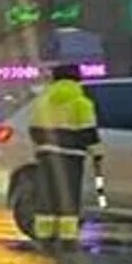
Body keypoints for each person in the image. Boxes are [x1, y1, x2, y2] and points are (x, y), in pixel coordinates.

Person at [27, 63, 102, 246]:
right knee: (69, 194)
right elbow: (88, 132)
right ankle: (67, 237)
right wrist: (97, 152)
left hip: (47, 155)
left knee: (46, 194)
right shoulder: (82, 103)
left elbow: (34, 129)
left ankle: (44, 235)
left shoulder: (42, 101)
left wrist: (44, 145)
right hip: (72, 157)